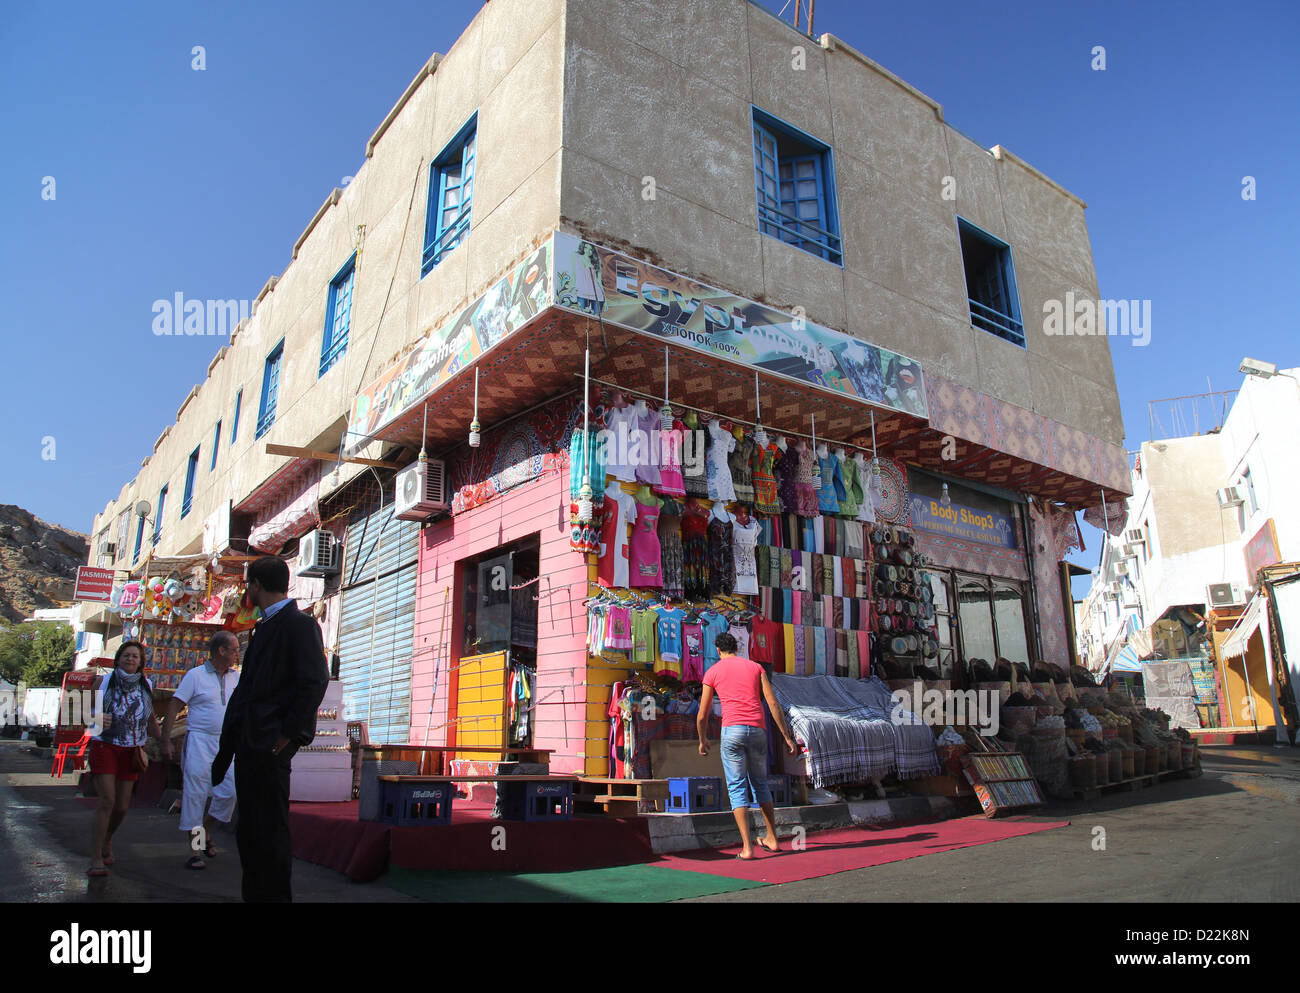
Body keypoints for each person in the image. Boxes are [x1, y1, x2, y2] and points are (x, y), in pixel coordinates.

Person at [212, 556, 328, 902]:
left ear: (256, 585)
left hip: (269, 745)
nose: (247, 591)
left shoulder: (298, 625)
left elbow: (314, 681)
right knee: (250, 832)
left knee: (269, 832)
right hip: (251, 743)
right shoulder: (263, 628)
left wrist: (287, 734)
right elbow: (248, 691)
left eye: (248, 585)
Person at [697, 631, 797, 860]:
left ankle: (747, 847)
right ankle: (772, 838)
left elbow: (702, 714)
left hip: (732, 730)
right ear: (737, 648)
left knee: (736, 786)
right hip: (758, 729)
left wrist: (702, 740)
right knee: (761, 783)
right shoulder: (755, 667)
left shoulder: (712, 672)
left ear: (718, 650)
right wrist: (786, 736)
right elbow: (772, 702)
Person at [161, 630, 241, 869]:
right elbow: (174, 706)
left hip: (227, 743)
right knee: (195, 795)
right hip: (198, 741)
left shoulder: (236, 677)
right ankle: (195, 852)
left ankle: (204, 831)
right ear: (221, 651)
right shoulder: (195, 676)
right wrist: (165, 740)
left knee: (230, 792)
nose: (237, 653)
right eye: (234, 649)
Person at [87, 640, 161, 876]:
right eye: (127, 655)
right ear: (118, 658)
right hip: (105, 744)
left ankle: (108, 836)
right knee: (107, 800)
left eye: (135, 657)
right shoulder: (104, 681)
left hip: (132, 749)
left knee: (121, 806)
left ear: (140, 663)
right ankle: (96, 857)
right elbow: (80, 711)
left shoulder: (146, 684)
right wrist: (97, 719)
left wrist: (163, 739)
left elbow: (149, 717)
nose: (130, 659)